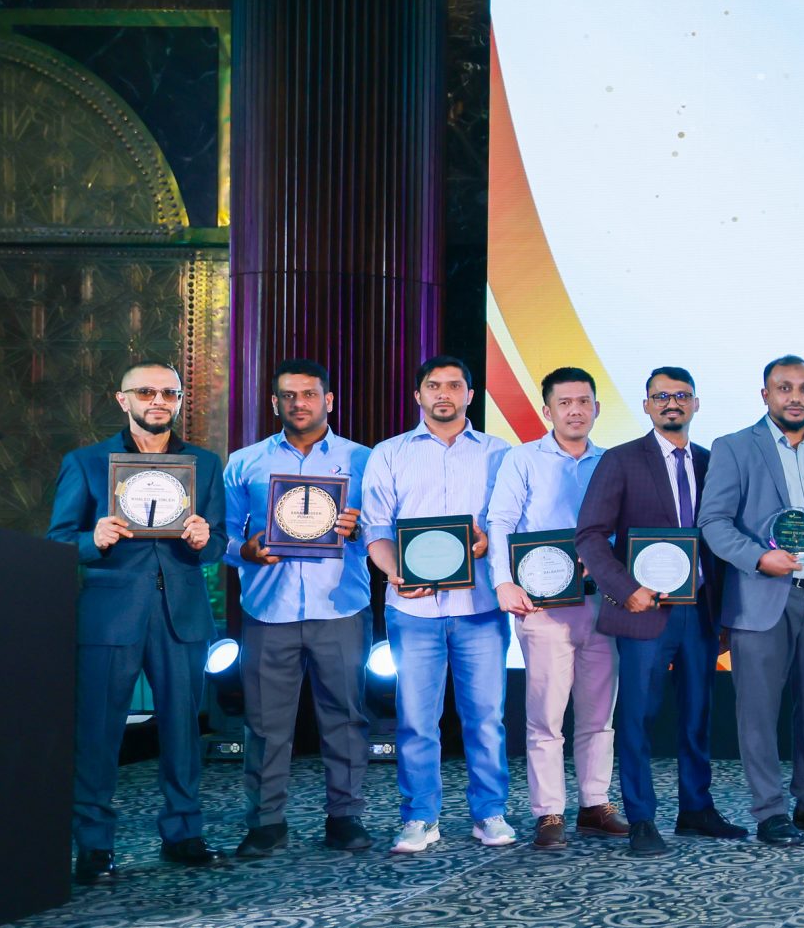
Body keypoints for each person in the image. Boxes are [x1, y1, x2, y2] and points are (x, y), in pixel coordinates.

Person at [47, 359, 225, 884]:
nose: (158, 401)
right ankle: (94, 845)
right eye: (146, 392)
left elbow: (218, 541)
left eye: (169, 393)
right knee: (98, 733)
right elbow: (58, 541)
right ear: (122, 399)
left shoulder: (204, 463)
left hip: (181, 615)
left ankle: (183, 833)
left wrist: (205, 541)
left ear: (179, 400)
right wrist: (91, 540)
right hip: (109, 618)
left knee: (183, 732)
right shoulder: (86, 462)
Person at [576, 366, 748, 855]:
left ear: (696, 403)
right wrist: (624, 589)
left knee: (698, 715)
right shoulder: (621, 460)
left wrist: (726, 614)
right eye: (661, 396)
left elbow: (725, 540)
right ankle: (641, 818)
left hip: (701, 610)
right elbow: (590, 535)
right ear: (647, 405)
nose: (672, 403)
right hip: (642, 610)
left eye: (682, 395)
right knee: (638, 717)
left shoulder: (713, 462)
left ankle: (696, 808)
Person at [358, 355, 513, 854]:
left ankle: (489, 813)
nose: (443, 393)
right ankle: (419, 817)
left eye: (454, 385)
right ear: (418, 395)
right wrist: (393, 571)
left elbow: (509, 521)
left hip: (480, 605)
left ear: (470, 395)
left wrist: (488, 541)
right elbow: (376, 528)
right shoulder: (389, 453)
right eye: (433, 385)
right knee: (416, 721)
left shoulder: (500, 453)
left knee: (485, 718)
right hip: (413, 609)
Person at [219, 357, 372, 858]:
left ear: (329, 400)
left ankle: (345, 817)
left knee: (346, 718)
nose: (298, 403)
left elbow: (385, 530)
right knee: (265, 724)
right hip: (269, 608)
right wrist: (245, 551)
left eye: (308, 395)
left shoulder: (364, 460)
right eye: (288, 395)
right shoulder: (245, 462)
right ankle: (266, 823)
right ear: (274, 402)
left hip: (341, 607)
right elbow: (224, 535)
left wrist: (360, 529)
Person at [698, 355, 804, 841]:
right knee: (758, 713)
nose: (795, 397)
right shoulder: (735, 447)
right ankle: (769, 812)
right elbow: (713, 523)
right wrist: (759, 558)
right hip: (759, 597)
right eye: (784, 388)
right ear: (765, 395)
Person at [486, 367, 622, 853]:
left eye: (584, 402)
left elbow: (625, 527)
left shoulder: (613, 461)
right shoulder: (523, 459)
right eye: (565, 403)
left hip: (602, 604)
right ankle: (549, 812)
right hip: (542, 606)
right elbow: (500, 521)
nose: (575, 411)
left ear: (597, 408)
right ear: (547, 411)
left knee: (599, 714)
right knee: (546, 717)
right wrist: (502, 580)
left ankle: (594, 804)